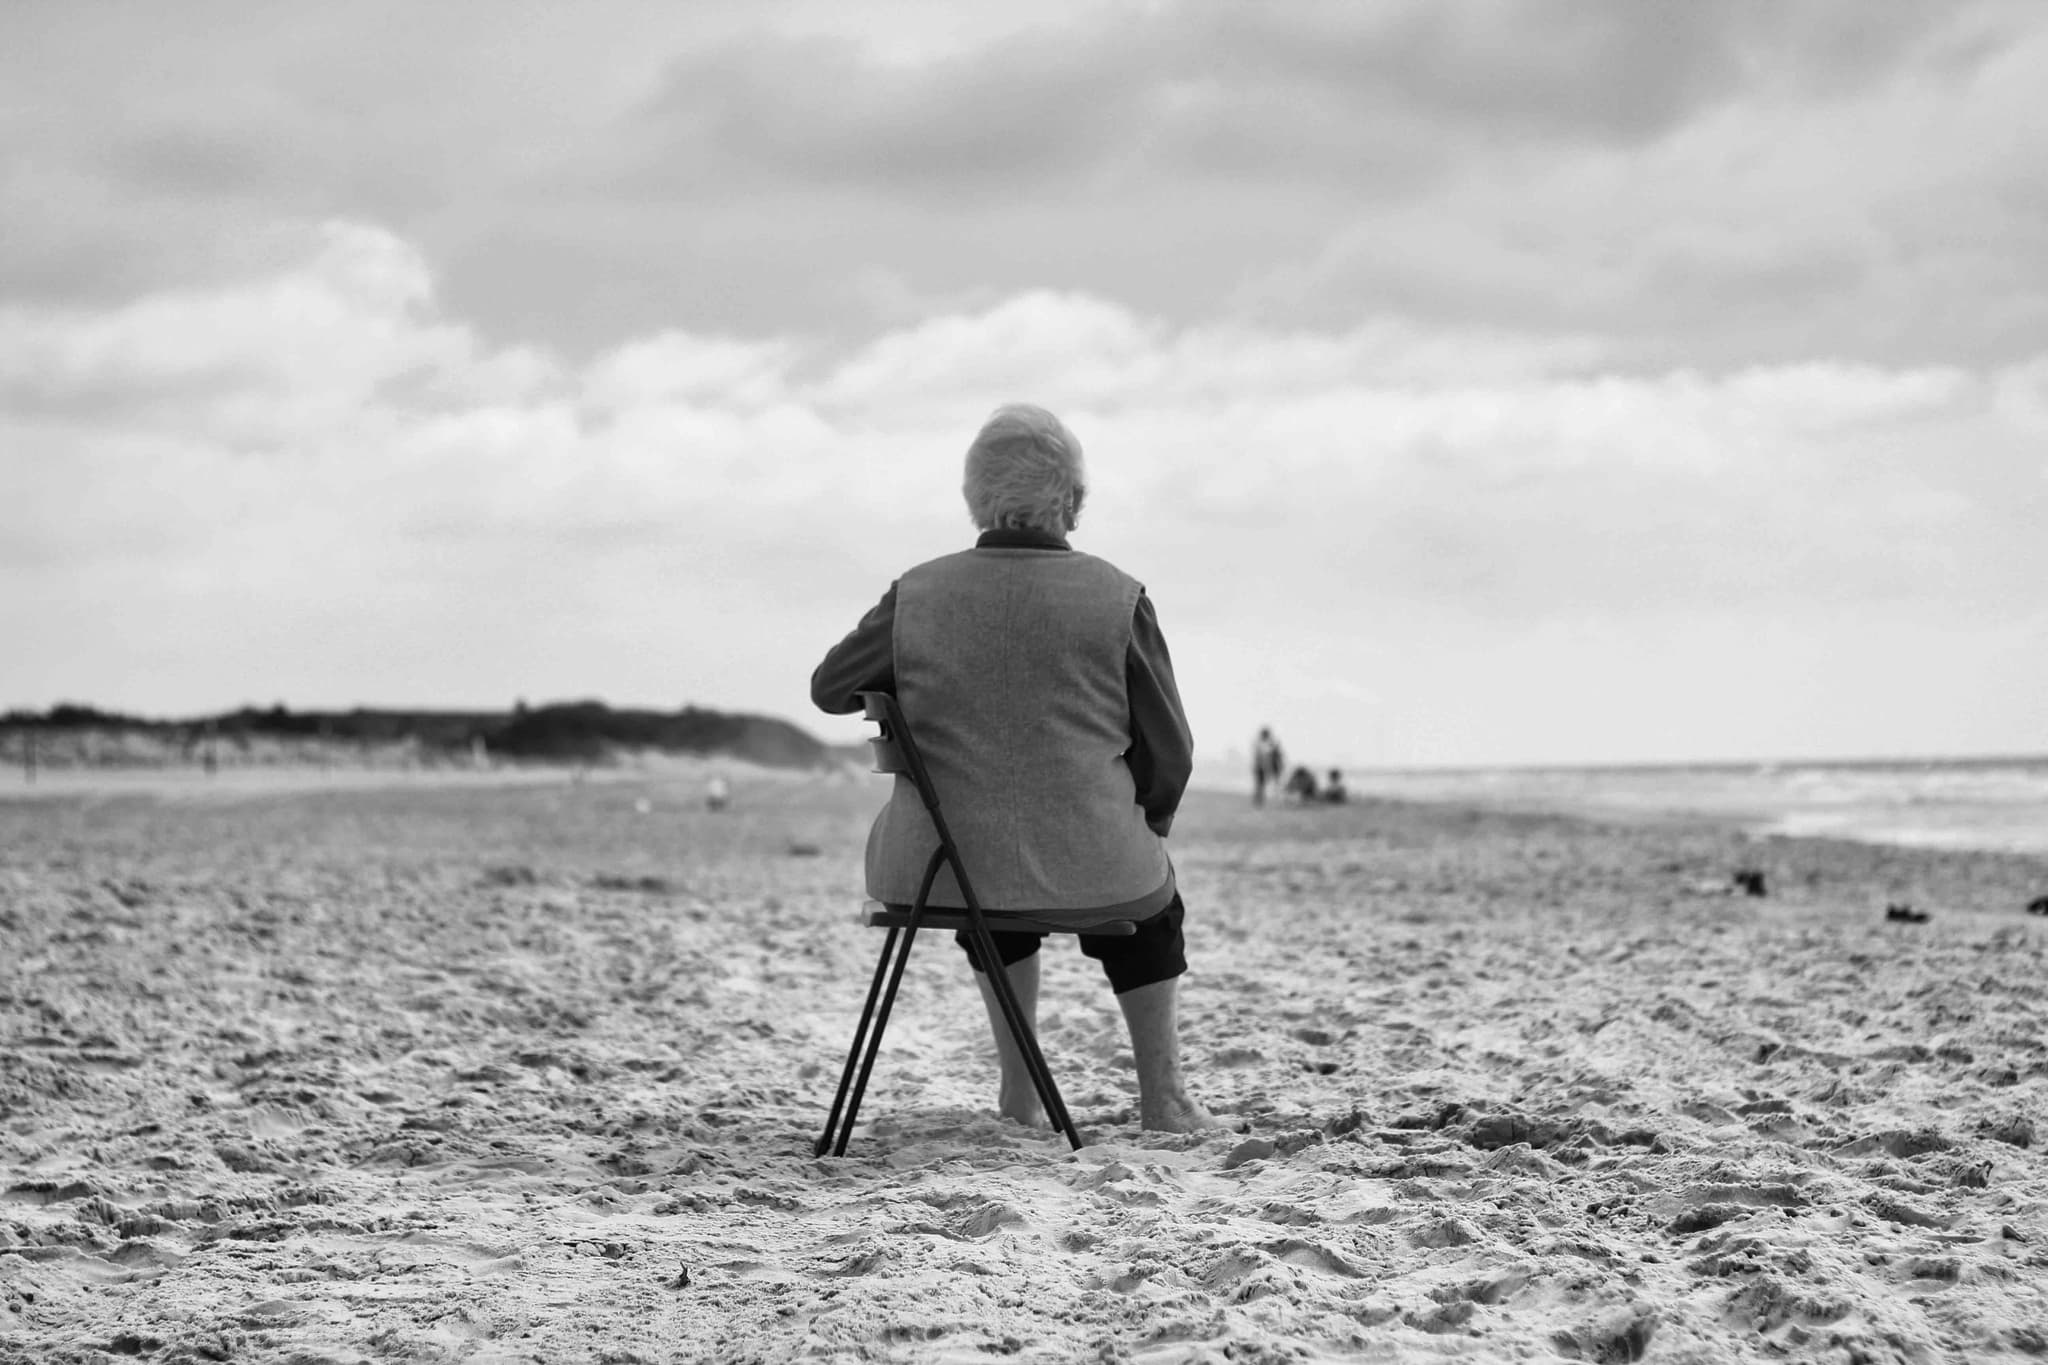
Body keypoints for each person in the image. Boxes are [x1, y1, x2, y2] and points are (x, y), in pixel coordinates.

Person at [811, 403, 1217, 1134]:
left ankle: (1021, 1095)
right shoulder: (1118, 598)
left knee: (984, 878)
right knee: (1153, 909)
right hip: (1095, 860)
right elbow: (1170, 754)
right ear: (1071, 501)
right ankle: (1166, 1100)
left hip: (945, 866)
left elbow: (830, 686)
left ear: (975, 497)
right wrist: (1143, 822)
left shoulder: (918, 593)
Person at [1252, 727, 1284, 806]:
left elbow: (1271, 757)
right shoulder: (1262, 744)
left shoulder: (1266, 744)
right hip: (1261, 768)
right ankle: (1260, 800)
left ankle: (1260, 800)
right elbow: (1264, 757)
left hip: (1264, 768)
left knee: (1262, 785)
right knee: (1261, 785)